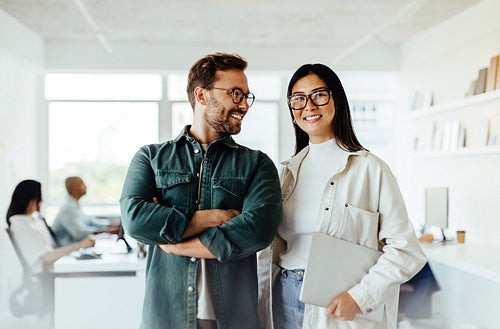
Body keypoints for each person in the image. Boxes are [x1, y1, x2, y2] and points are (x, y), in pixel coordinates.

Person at [120, 52, 282, 329]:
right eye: (235, 94)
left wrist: (175, 243)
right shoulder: (150, 157)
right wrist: (215, 217)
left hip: (234, 318)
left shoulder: (257, 164)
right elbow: (135, 220)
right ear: (202, 95)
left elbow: (259, 229)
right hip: (167, 317)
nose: (244, 104)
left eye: (246, 96)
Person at [258, 64, 426, 329]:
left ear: (337, 100)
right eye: (298, 99)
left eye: (319, 95)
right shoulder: (285, 173)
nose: (309, 106)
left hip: (339, 302)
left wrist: (360, 297)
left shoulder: (371, 169)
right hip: (284, 297)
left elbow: (406, 251)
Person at [6, 179, 95, 273]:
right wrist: (79, 245)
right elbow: (47, 257)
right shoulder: (21, 226)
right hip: (46, 274)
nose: (42, 201)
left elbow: (50, 249)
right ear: (31, 200)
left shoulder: (33, 221)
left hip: (53, 267)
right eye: (40, 197)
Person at [52, 176, 119, 246]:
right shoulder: (67, 208)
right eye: (82, 184)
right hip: (67, 249)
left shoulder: (75, 204)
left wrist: (110, 225)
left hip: (76, 246)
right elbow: (78, 233)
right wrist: (107, 231)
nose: (86, 187)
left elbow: (90, 221)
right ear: (74, 187)